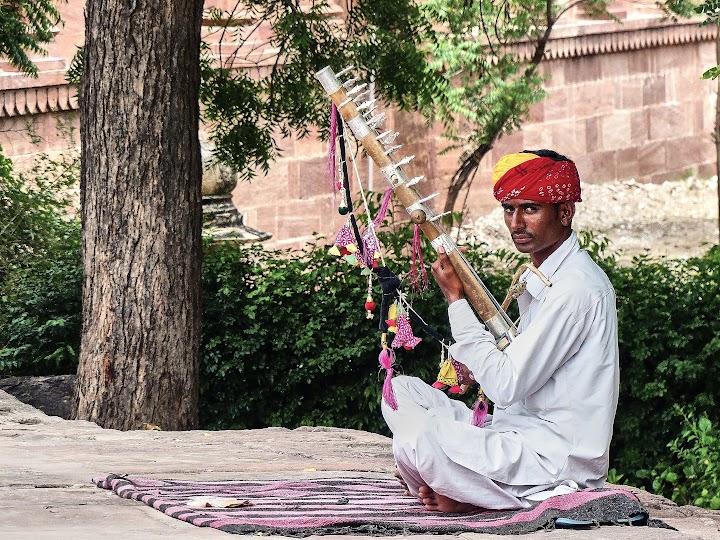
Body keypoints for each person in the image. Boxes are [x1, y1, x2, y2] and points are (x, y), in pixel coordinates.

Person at [382, 149, 619, 513]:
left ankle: (468, 494)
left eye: (530, 208)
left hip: (553, 457)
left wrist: (456, 301)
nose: (516, 223)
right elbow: (514, 370)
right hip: (510, 432)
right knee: (400, 392)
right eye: (509, 209)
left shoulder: (576, 288)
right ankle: (455, 484)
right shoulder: (541, 275)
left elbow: (506, 386)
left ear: (565, 212)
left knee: (422, 438)